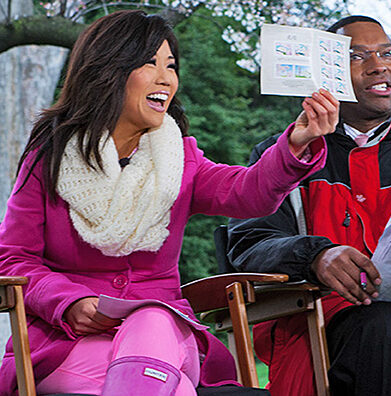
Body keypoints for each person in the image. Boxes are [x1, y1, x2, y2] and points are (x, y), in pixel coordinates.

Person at [0, 10, 340, 396]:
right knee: (172, 383)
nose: (166, 78)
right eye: (150, 63)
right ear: (108, 70)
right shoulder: (50, 157)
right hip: (66, 341)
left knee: (154, 320)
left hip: (162, 332)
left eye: (171, 66)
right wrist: (68, 302)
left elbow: (249, 191)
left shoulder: (180, 157)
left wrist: (296, 143)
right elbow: (14, 259)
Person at [227, 15, 391, 396]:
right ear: (328, 71)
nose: (379, 65)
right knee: (385, 325)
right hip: (329, 332)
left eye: (387, 53)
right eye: (358, 56)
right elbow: (249, 243)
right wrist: (316, 257)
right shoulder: (285, 154)